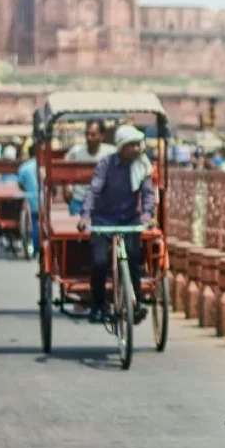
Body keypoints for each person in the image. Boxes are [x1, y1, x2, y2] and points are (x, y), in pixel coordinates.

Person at [77, 125, 155, 324]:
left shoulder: (142, 164)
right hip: (103, 220)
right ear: (121, 147)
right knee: (100, 262)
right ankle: (97, 306)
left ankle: (136, 302)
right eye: (131, 145)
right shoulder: (106, 164)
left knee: (134, 258)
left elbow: (148, 193)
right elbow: (94, 191)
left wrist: (147, 215)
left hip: (129, 219)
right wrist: (85, 216)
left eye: (137, 145)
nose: (136, 149)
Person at [64, 120, 116, 216]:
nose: (89, 138)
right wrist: (68, 185)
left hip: (103, 203)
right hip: (79, 200)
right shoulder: (75, 152)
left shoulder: (111, 152)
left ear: (102, 136)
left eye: (93, 135)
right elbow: (65, 171)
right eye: (87, 134)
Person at [17, 142, 40, 258]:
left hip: (32, 198)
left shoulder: (24, 167)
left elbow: (20, 184)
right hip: (47, 199)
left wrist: (27, 188)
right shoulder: (45, 165)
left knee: (35, 223)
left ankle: (36, 250)